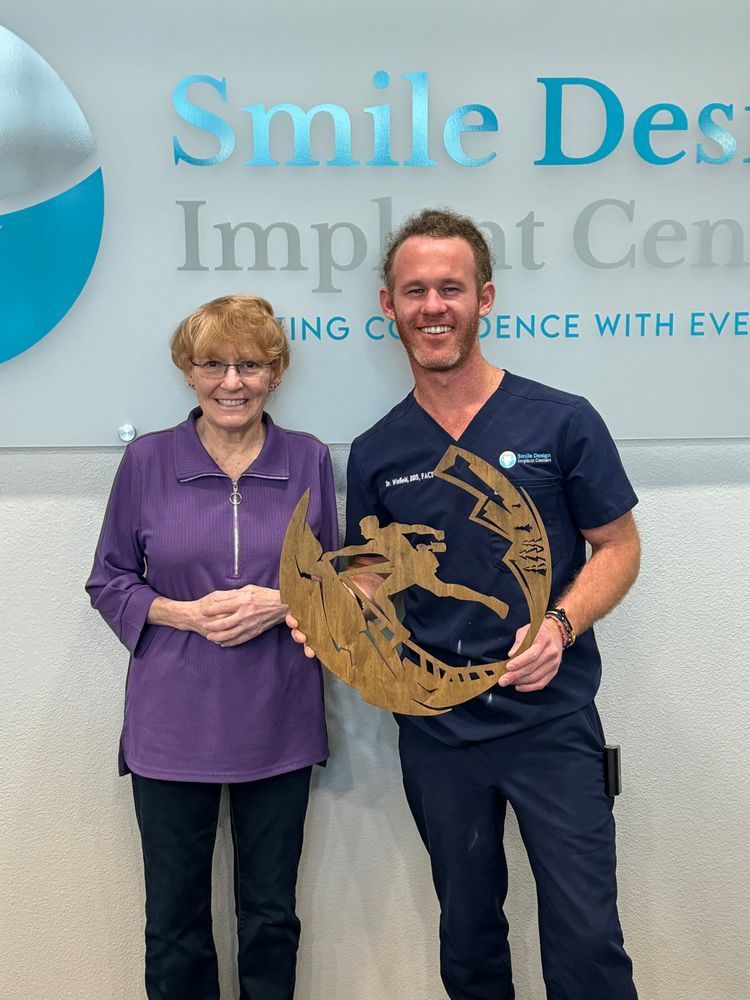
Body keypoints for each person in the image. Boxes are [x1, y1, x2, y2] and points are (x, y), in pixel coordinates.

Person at [289, 209, 641, 999]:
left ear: (485, 299)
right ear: (388, 306)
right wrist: (330, 617)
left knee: (588, 943)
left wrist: (561, 624)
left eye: (451, 288)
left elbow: (619, 547)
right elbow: (374, 574)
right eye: (415, 291)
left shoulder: (561, 420)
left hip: (551, 723)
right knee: (469, 943)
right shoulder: (381, 449)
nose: (432, 306)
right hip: (439, 731)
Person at [86, 294, 337, 1000]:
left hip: (279, 724)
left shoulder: (309, 460)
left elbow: (337, 586)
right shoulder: (146, 461)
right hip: (170, 729)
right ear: (187, 372)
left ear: (276, 373)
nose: (233, 381)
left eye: (250, 365)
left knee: (269, 918)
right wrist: (183, 614)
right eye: (214, 364)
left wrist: (281, 601)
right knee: (173, 925)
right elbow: (107, 580)